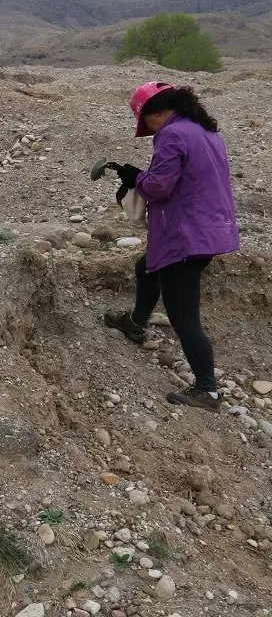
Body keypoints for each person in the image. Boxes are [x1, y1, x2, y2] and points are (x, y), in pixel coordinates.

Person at [104, 82, 239, 411]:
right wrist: (142, 176)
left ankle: (208, 391)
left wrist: (137, 180)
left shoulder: (172, 134)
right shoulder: (204, 132)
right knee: (146, 266)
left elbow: (160, 188)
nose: (148, 132)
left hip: (184, 236)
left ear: (155, 114)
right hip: (207, 231)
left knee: (184, 318)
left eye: (146, 123)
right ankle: (135, 325)